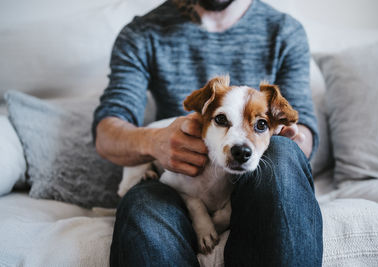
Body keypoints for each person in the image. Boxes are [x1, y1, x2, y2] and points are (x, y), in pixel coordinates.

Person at [92, 0, 323, 265]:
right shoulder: (142, 32)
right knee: (144, 204)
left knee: (283, 154)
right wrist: (154, 142)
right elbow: (107, 133)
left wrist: (284, 138)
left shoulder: (284, 30)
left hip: (260, 176)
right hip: (177, 174)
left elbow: (303, 129)